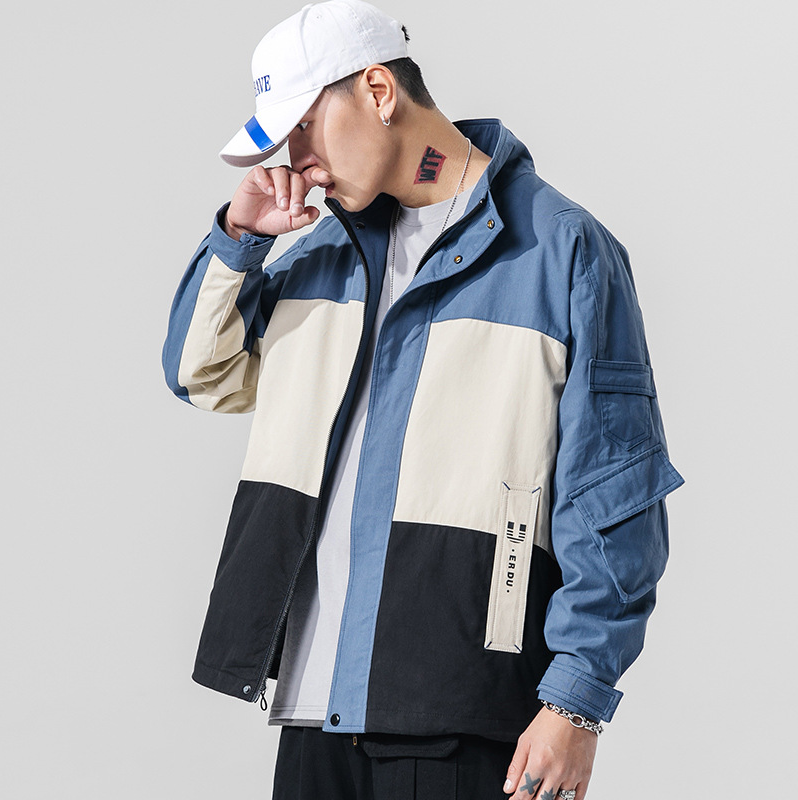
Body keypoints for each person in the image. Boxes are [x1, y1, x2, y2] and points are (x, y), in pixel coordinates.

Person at [161, 1, 685, 798]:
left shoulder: (560, 251)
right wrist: (241, 238)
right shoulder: (322, 255)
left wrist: (576, 702)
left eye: (303, 129)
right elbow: (203, 373)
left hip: (460, 704)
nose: (296, 163)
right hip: (312, 708)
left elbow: (614, 494)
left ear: (378, 91)